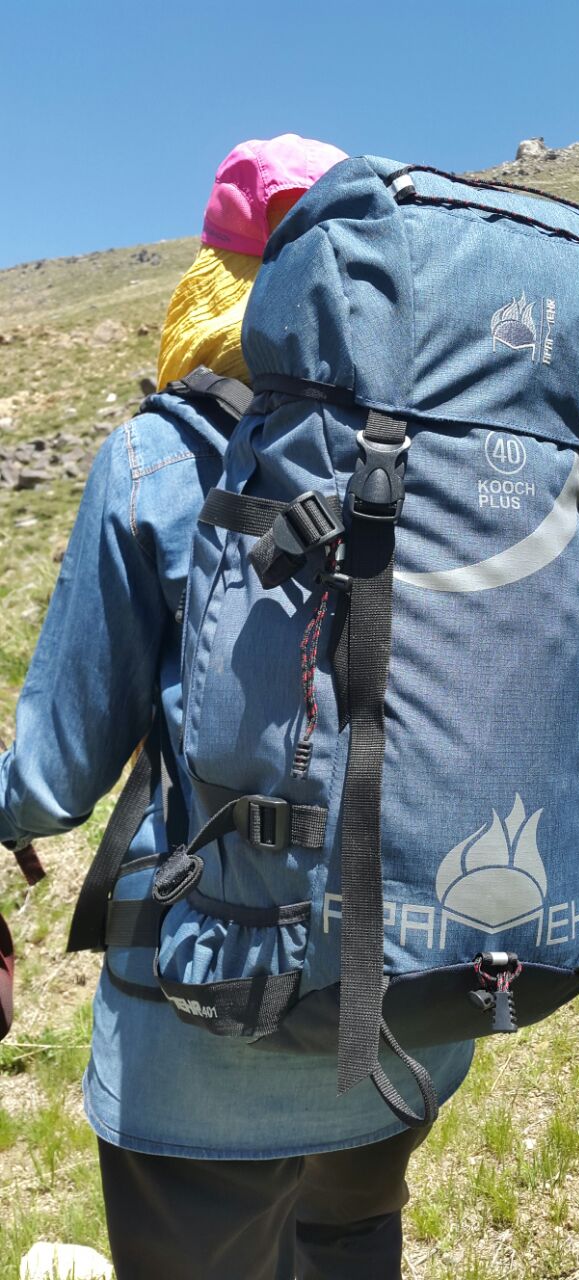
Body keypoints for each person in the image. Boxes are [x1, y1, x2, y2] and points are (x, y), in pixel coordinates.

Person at [0, 134, 475, 1280]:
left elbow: (54, 777)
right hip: (409, 1016)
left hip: (202, 1039)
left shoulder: (155, 459)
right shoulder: (445, 452)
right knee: (350, 1240)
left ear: (212, 279)